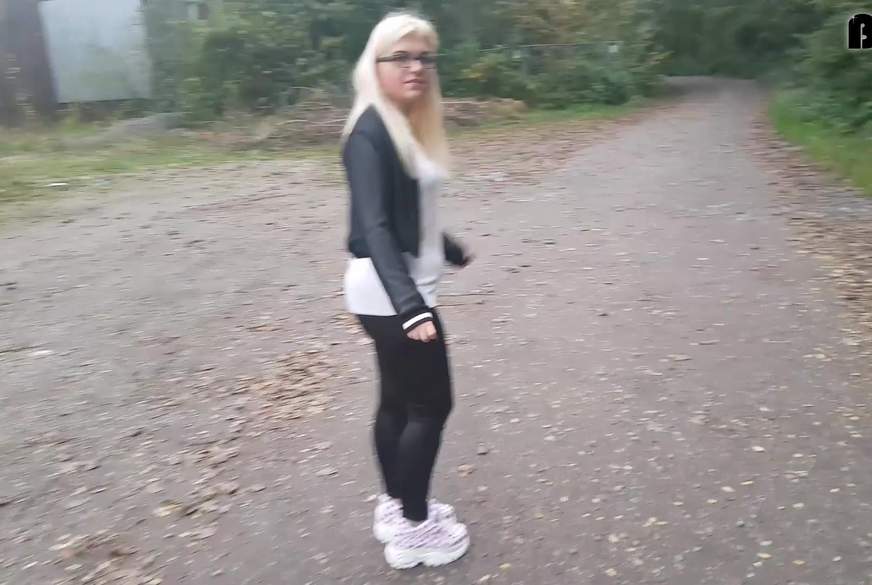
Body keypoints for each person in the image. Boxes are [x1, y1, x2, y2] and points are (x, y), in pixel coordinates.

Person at [341, 11, 473, 570]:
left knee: (399, 402)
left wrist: (445, 246)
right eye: (401, 57)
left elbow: (404, 215)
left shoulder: (399, 124)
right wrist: (412, 307)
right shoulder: (369, 132)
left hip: (393, 292)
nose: (415, 67)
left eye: (423, 57)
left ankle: (397, 505)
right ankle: (415, 529)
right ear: (375, 65)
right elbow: (372, 229)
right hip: (392, 295)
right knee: (431, 405)